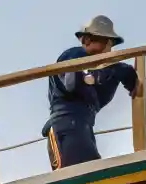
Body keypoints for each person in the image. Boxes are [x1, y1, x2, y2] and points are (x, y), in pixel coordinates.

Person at [43, 15, 139, 170]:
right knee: (82, 175)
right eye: (106, 41)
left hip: (83, 126)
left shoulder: (101, 67)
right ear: (87, 40)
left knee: (91, 170)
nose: (109, 48)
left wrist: (125, 74)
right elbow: (72, 83)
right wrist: (97, 76)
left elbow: (113, 75)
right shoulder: (75, 55)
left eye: (111, 43)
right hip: (67, 126)